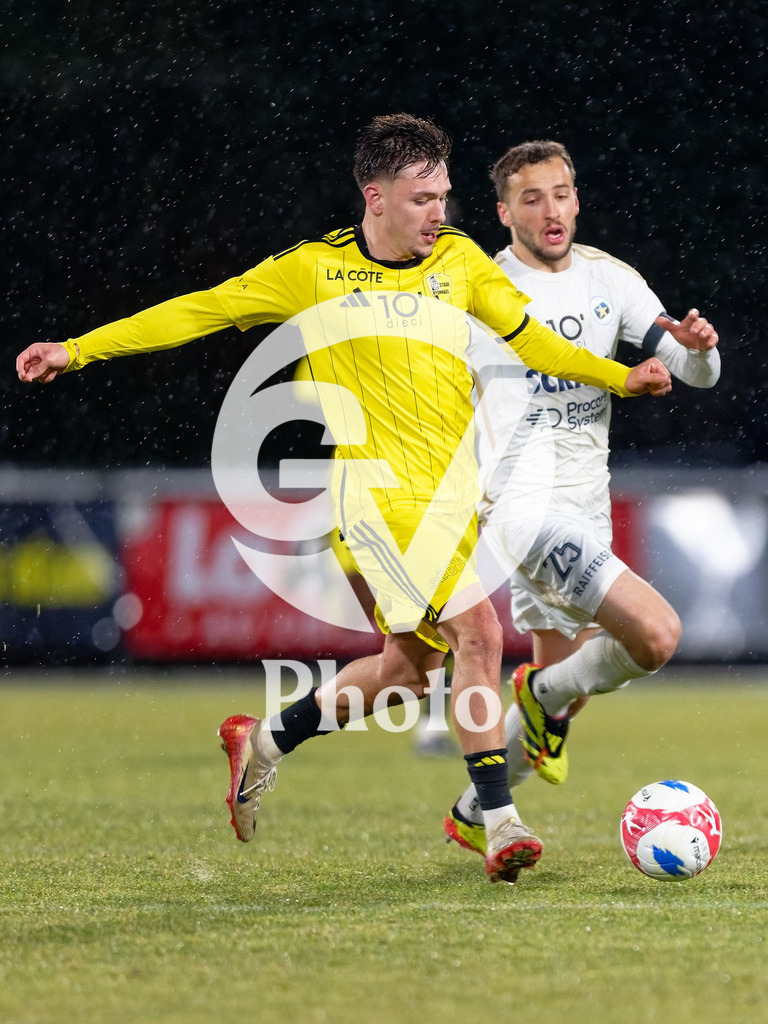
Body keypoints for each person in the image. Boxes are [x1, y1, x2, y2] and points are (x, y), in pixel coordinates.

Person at [16, 115, 672, 884]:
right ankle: (499, 824)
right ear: (376, 197)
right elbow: (200, 309)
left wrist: (620, 377)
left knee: (408, 670)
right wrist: (78, 349)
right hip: (374, 503)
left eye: (444, 196)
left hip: (451, 504)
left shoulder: (460, 261)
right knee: (480, 635)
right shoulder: (314, 271)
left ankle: (265, 739)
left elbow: (530, 339)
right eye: (423, 199)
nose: (438, 212)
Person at [443, 140, 720, 857]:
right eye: (531, 198)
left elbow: (695, 371)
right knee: (655, 636)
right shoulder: (481, 290)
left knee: (562, 706)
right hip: (522, 510)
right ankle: (537, 696)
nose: (551, 210)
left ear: (576, 200)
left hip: (586, 506)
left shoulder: (610, 280)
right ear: (504, 213)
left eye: (561, 194)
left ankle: (474, 812)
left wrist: (700, 348)